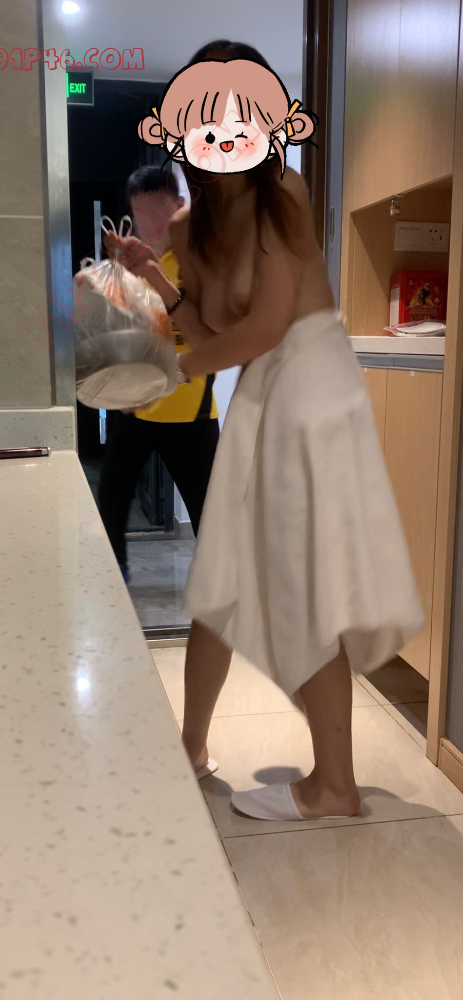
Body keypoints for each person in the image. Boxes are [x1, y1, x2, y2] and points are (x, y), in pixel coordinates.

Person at [109, 40, 423, 821]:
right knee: (221, 573)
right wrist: (152, 277)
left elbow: (271, 325)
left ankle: (334, 787)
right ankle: (190, 745)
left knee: (299, 583)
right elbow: (213, 326)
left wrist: (171, 374)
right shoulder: (189, 226)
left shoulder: (282, 187)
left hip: (308, 389)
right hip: (261, 394)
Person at [99, 165, 219, 584]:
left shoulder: (201, 264)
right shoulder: (128, 267)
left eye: (158, 212)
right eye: (140, 214)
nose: (149, 224)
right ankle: (115, 578)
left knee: (209, 513)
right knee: (112, 495)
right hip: (135, 406)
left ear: (181, 207)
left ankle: (217, 590)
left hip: (190, 411)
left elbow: (206, 335)